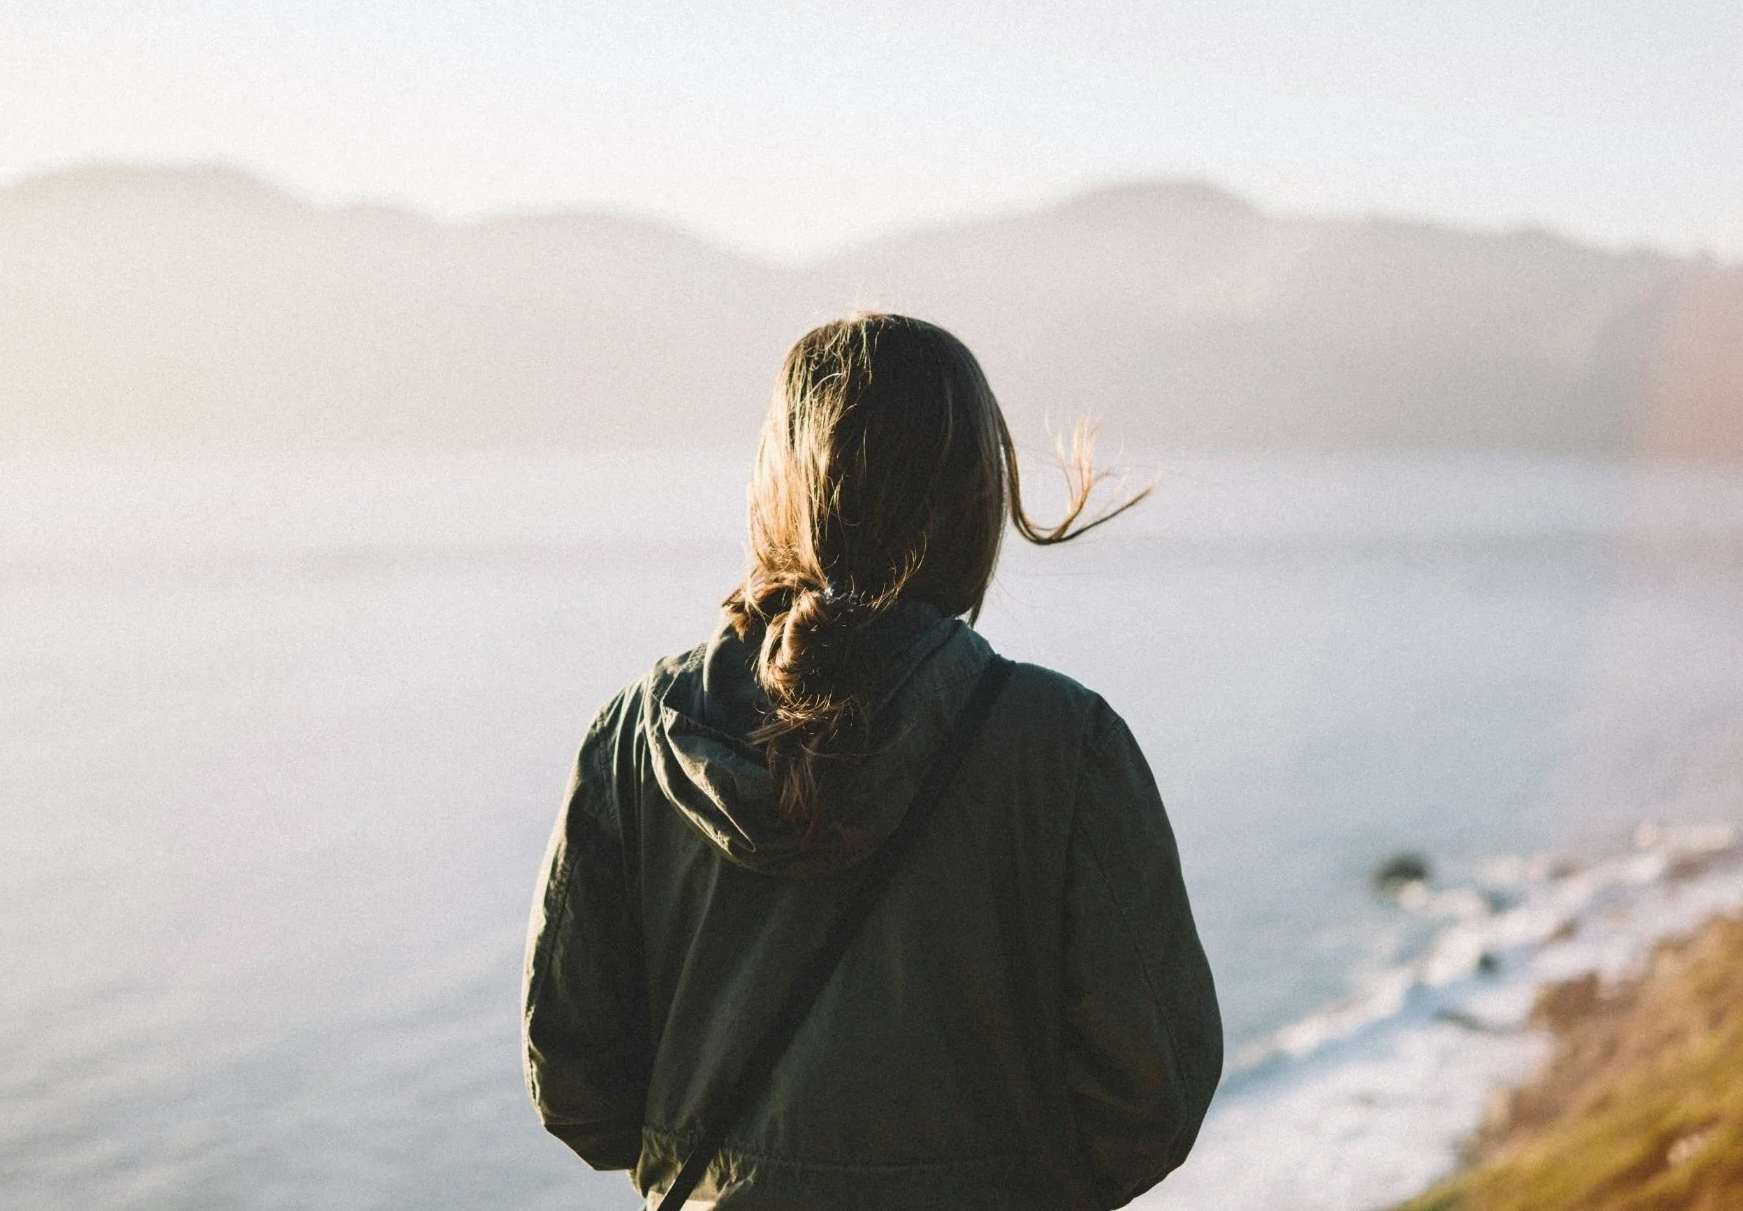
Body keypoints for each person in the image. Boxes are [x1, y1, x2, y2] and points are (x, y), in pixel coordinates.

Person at [523, 314, 1222, 1209]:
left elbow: (576, 1086)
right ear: (973, 498)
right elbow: (1152, 1092)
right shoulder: (1064, 746)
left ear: (778, 487)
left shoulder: (633, 743)